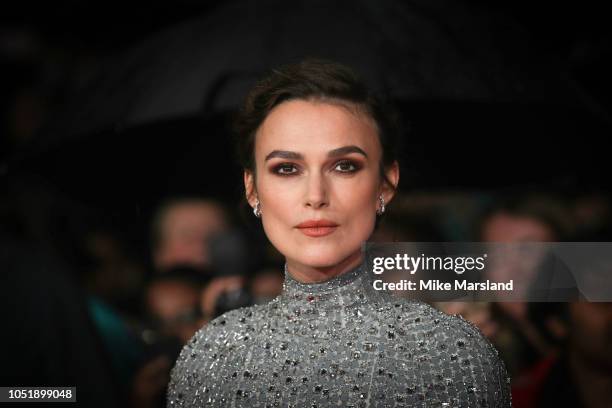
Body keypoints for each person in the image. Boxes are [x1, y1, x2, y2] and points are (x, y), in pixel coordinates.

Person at [167, 59, 510, 407]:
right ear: (252, 188)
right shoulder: (211, 355)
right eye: (287, 169)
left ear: (386, 183)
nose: (316, 196)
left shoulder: (453, 354)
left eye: (345, 166)